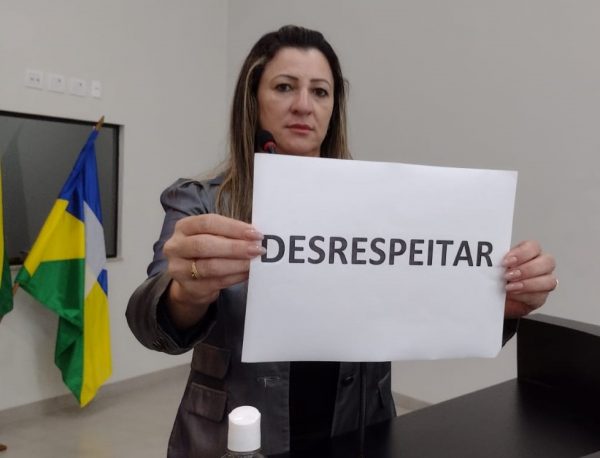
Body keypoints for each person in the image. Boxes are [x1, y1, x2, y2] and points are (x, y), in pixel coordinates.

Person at [126, 25, 557, 457]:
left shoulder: (378, 205)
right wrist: (187, 292)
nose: (303, 105)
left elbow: (423, 299)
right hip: (234, 439)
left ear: (334, 107)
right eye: (284, 87)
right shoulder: (201, 202)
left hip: (361, 429)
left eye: (320, 91)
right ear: (252, 99)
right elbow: (150, 323)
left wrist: (497, 302)